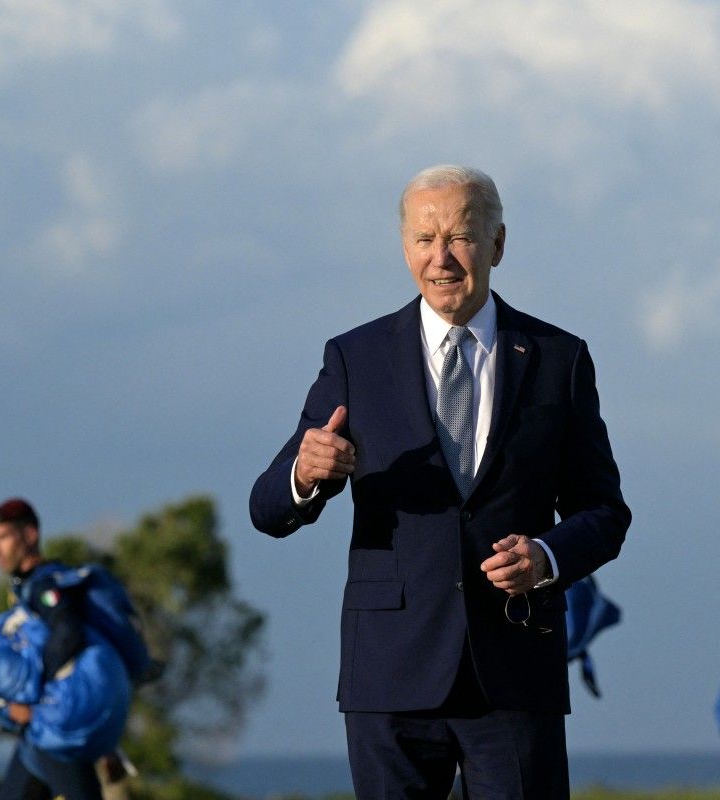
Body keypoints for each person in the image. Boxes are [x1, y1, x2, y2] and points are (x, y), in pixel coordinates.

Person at [249, 164, 631, 799]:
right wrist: (303, 475)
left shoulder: (559, 358)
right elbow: (266, 508)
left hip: (514, 669)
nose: (441, 258)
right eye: (425, 240)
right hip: (389, 672)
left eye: (460, 237)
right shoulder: (356, 358)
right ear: (405, 249)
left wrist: (545, 556)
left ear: (497, 244)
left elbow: (604, 513)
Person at [0, 498, 108, 800]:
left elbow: (69, 632)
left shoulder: (44, 585)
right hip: (39, 731)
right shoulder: (25, 588)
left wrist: (31, 695)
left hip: (52, 725)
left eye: (3, 538)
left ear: (30, 535)